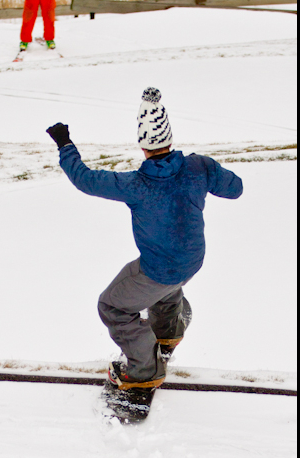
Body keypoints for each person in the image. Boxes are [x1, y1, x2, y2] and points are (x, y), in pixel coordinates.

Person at [46, 88, 243, 393]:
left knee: (112, 306)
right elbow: (235, 188)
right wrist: (210, 172)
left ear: (143, 146)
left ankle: (144, 369)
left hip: (162, 267)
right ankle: (168, 330)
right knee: (159, 278)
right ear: (169, 137)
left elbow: (84, 179)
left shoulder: (136, 185)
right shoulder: (198, 167)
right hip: (192, 261)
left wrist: (65, 143)